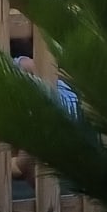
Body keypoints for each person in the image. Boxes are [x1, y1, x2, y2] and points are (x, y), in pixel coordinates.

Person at [10, 53, 78, 185]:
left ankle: (44, 187)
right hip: (58, 113)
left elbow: (28, 65)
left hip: (60, 116)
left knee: (27, 164)